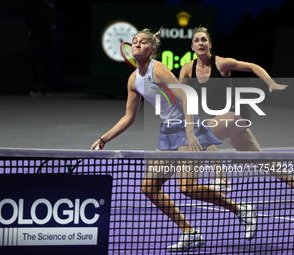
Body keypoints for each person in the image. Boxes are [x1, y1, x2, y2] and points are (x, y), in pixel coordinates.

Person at [91, 28, 258, 251]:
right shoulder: (133, 80)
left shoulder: (158, 69)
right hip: (168, 132)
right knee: (149, 187)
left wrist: (190, 132)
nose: (137, 44)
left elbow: (187, 96)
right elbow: (129, 117)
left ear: (152, 49)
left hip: (187, 128)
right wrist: (104, 139)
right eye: (134, 42)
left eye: (143, 42)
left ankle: (241, 209)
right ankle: (190, 232)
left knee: (187, 187)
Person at [179, 26, 293, 192]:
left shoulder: (222, 63)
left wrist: (270, 82)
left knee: (200, 135)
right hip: (224, 118)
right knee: (260, 158)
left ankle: (215, 180)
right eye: (197, 40)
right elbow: (179, 92)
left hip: (237, 112)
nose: (200, 43)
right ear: (192, 47)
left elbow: (252, 66)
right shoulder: (188, 69)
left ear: (209, 44)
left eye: (204, 40)